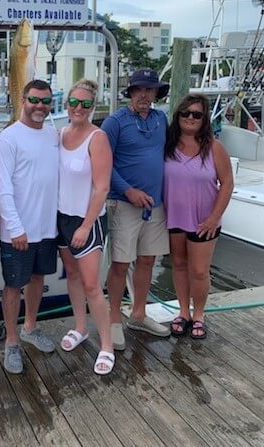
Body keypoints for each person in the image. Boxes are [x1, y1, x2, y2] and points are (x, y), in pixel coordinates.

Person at [101, 68, 171, 350]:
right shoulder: (114, 122)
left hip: (155, 205)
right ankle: (115, 319)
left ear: (156, 93)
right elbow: (103, 163)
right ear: (130, 92)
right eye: (139, 89)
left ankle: (139, 314)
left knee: (147, 261)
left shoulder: (161, 118)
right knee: (119, 264)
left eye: (150, 89)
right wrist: (128, 190)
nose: (144, 94)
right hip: (123, 203)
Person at [0, 79, 59, 374]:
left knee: (37, 280)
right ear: (23, 99)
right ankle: (11, 342)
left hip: (46, 228)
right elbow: (3, 189)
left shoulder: (53, 134)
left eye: (45, 101)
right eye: (34, 100)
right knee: (13, 286)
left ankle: (30, 328)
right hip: (17, 231)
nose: (40, 106)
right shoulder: (8, 138)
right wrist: (16, 228)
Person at [164, 94, 233, 339]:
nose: (190, 118)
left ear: (204, 119)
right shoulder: (167, 145)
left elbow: (226, 184)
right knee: (179, 265)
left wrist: (215, 217)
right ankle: (183, 311)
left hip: (205, 220)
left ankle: (199, 314)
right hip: (174, 218)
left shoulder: (215, 148)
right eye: (186, 113)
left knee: (200, 271)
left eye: (197, 114)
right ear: (178, 116)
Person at [57, 79, 115, 375]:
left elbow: (102, 188)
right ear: (66, 104)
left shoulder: (98, 138)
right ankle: (81, 328)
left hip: (86, 221)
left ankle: (106, 345)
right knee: (73, 277)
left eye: (86, 104)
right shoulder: (60, 133)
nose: (79, 108)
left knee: (93, 285)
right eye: (74, 102)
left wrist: (86, 225)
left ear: (93, 107)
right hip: (62, 218)